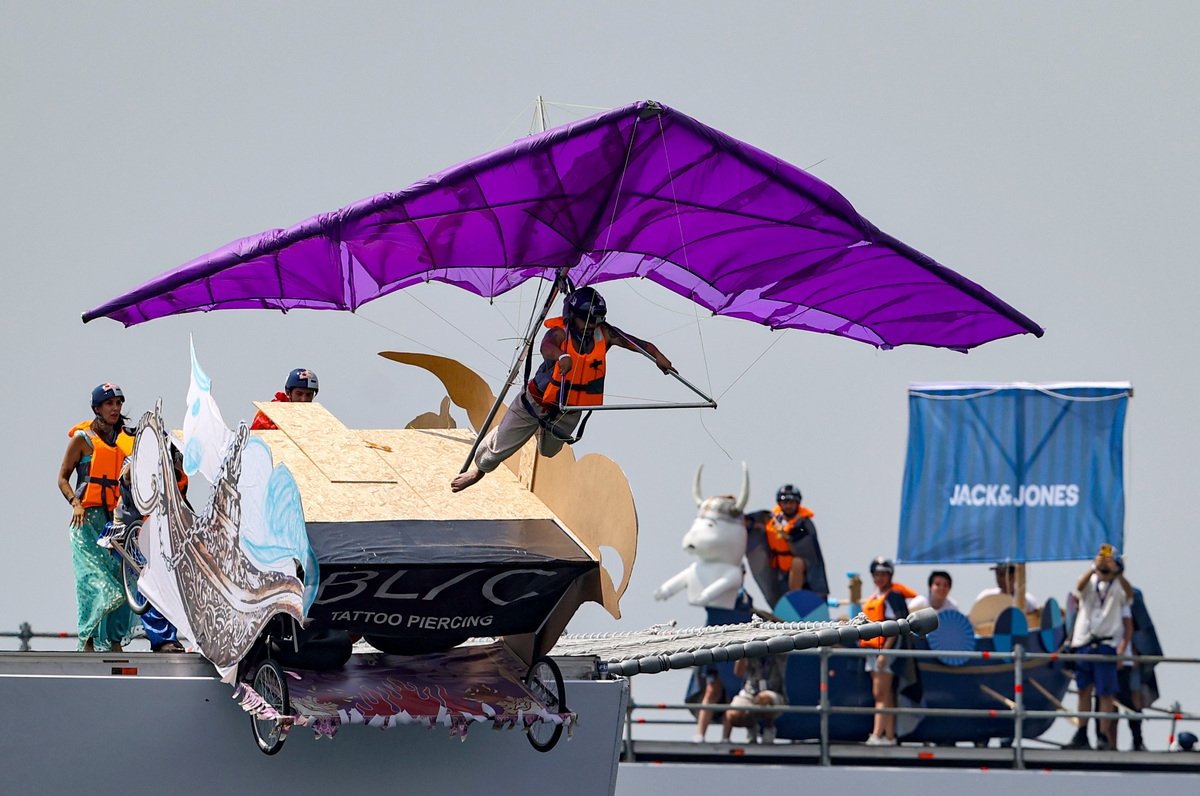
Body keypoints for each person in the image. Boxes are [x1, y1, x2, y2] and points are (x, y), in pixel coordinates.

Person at [451, 287, 672, 492]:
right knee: (497, 451)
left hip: (569, 409)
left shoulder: (605, 333)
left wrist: (657, 356)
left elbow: (638, 344)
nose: (591, 325)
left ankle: (539, 431)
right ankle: (478, 472)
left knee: (548, 452)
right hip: (536, 402)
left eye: (597, 320)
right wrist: (561, 356)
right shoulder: (559, 333)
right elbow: (546, 347)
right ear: (572, 316)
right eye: (586, 320)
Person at [57, 383, 138, 652]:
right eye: (109, 404)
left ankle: (115, 643)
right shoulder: (83, 439)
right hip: (85, 523)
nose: (115, 408)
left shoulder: (125, 440)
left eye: (118, 403)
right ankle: (88, 641)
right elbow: (62, 478)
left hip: (112, 523)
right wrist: (75, 503)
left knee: (123, 581)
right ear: (97, 408)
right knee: (95, 582)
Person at [1065, 544, 1133, 751]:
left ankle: (1102, 734)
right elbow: (1078, 586)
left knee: (1106, 693)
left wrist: (1116, 571)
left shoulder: (1119, 586)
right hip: (1084, 641)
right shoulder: (1090, 582)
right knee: (1083, 690)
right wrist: (1095, 566)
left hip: (1106, 643)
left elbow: (1130, 595)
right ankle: (1082, 732)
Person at [861, 556, 917, 746]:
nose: (880, 578)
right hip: (871, 649)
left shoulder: (892, 596)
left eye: (884, 574)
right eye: (877, 574)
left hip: (883, 650)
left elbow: (895, 626)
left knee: (880, 693)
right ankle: (890, 734)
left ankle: (877, 734)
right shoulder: (874, 597)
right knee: (887, 694)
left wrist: (885, 652)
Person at [748, 484, 829, 607]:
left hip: (804, 575)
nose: (788, 506)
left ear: (797, 503)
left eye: (791, 502)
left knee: (797, 562)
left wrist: (787, 536)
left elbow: (806, 550)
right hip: (778, 570)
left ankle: (794, 598)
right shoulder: (771, 519)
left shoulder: (804, 524)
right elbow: (749, 522)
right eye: (784, 502)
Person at [721, 654, 786, 744]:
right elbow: (738, 673)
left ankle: (769, 728)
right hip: (750, 692)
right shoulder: (750, 645)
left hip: (774, 692)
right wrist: (742, 653)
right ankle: (752, 727)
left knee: (764, 699)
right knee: (732, 715)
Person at [251, 368, 319, 430]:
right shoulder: (271, 413)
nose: (304, 399)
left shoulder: (318, 417)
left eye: (308, 395)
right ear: (288, 392)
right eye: (299, 394)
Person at [974, 562, 1038, 612]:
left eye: (1004, 574)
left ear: (1015, 575)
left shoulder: (1028, 600)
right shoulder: (985, 597)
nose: (1001, 579)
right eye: (998, 574)